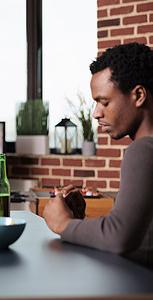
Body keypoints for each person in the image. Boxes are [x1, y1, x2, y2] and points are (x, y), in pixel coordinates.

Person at [43, 42, 153, 269]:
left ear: (139, 95)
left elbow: (119, 237)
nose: (96, 113)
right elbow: (139, 237)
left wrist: (63, 224)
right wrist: (78, 223)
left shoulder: (143, 150)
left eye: (104, 102)